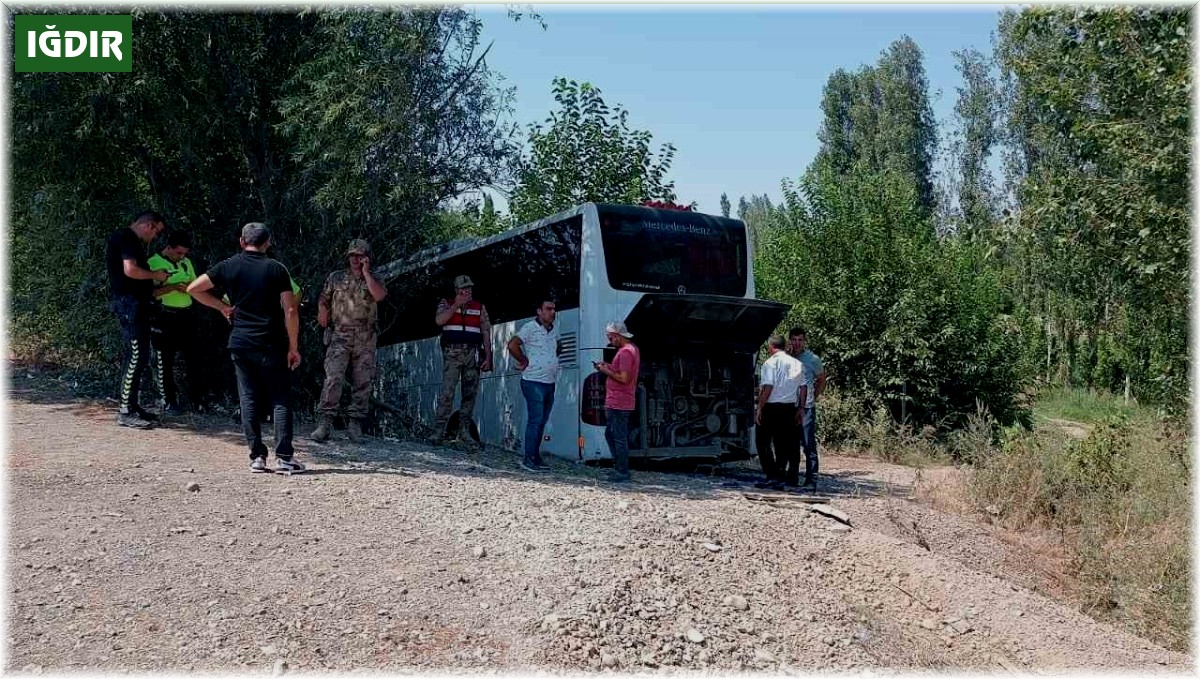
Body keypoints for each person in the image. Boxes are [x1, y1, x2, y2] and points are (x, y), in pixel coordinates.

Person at [187, 223, 304, 474]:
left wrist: (221, 307)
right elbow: (291, 309)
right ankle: (284, 457)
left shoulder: (228, 266)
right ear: (268, 242)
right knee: (280, 398)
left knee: (248, 398)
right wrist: (293, 346)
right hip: (271, 342)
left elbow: (193, 289)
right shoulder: (276, 269)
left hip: (240, 342)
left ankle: (257, 457)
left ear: (242, 241)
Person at [312, 239, 388, 443]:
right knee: (333, 378)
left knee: (363, 382)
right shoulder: (336, 278)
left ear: (367, 257)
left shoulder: (375, 277)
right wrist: (322, 310)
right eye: (352, 255)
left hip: (365, 337)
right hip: (340, 335)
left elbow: (379, 296)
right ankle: (325, 423)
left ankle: (354, 425)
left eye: (360, 255)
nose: (355, 259)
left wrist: (366, 273)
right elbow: (323, 298)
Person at [106, 210, 169, 429]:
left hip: (136, 304)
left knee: (138, 355)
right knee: (136, 356)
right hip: (129, 306)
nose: (155, 238)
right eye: (157, 232)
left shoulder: (128, 239)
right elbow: (131, 270)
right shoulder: (126, 238)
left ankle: (132, 405)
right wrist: (155, 275)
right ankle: (125, 410)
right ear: (148, 225)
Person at [431, 275, 493, 450]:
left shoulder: (479, 307)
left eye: (469, 289)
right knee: (447, 392)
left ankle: (464, 431)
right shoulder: (446, 303)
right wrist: (456, 305)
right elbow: (439, 320)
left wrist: (488, 357)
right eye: (464, 289)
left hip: (472, 352)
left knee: (470, 393)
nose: (468, 292)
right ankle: (438, 431)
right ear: (457, 290)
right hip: (452, 352)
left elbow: (486, 333)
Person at [148, 230, 204, 416]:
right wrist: (173, 287)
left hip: (186, 315)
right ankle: (169, 401)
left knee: (194, 358)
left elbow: (196, 285)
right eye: (179, 252)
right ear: (168, 248)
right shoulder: (153, 263)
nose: (182, 256)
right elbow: (151, 293)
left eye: (185, 253)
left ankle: (197, 399)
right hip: (165, 316)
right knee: (165, 360)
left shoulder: (186, 263)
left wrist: (189, 288)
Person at [507, 299, 560, 472]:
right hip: (533, 381)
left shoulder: (554, 329)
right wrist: (523, 360)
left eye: (554, 309)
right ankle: (528, 458)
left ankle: (535, 456)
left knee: (542, 421)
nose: (552, 312)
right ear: (539, 311)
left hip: (549, 382)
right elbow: (512, 344)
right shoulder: (530, 327)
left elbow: (557, 347)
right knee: (535, 420)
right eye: (548, 309)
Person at [754, 335, 805, 490]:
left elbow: (768, 387)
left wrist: (759, 408)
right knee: (783, 442)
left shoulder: (770, 363)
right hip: (790, 407)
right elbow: (803, 388)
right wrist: (801, 408)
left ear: (771, 347)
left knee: (762, 441)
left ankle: (772, 475)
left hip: (772, 407)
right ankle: (783, 474)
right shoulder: (797, 363)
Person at [594, 321, 640, 483]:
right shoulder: (631, 350)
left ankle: (622, 471)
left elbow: (624, 378)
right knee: (612, 434)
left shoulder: (626, 352)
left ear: (618, 336)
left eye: (611, 338)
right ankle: (620, 469)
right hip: (621, 400)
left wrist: (605, 370)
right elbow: (621, 372)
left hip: (619, 401)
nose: (609, 341)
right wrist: (608, 366)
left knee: (617, 436)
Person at [789, 326, 826, 489]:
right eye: (794, 340)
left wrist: (813, 398)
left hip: (806, 408)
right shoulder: (787, 357)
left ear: (804, 341)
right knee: (791, 443)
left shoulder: (812, 359)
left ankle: (812, 479)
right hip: (789, 406)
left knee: (808, 443)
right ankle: (792, 477)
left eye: (800, 340)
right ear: (790, 340)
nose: (797, 343)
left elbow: (821, 380)